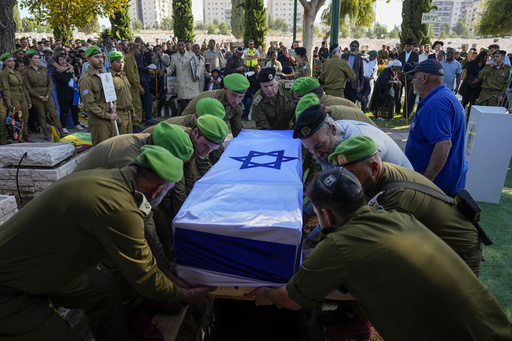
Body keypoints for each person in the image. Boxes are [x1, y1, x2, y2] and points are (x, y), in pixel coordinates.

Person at [248, 167, 512, 341]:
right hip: (494, 327)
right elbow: (356, 289)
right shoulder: (398, 219)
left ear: (326, 215)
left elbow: (291, 300)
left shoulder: (340, 245)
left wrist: (267, 294)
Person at [0, 145, 214, 341]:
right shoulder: (119, 208)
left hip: (37, 264)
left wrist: (167, 273)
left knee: (102, 290)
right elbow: (146, 279)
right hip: (10, 291)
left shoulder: (110, 178)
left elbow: (144, 230)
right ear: (158, 190)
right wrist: (186, 294)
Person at [405, 59, 468, 195]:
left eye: (415, 77)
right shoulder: (444, 97)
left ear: (425, 78)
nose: (412, 81)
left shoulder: (436, 104)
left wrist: (425, 184)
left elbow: (444, 145)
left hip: (438, 185)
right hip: (443, 181)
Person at [180, 73, 249, 138]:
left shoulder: (237, 107)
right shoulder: (212, 102)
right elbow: (210, 134)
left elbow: (238, 132)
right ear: (225, 89)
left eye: (241, 97)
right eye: (233, 95)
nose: (236, 100)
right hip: (186, 128)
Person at [78, 45, 118, 146]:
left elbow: (111, 95)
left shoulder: (104, 75)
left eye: (101, 57)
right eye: (96, 57)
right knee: (102, 152)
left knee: (113, 149)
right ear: (88, 59)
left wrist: (114, 107)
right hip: (99, 121)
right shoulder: (86, 80)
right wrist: (109, 116)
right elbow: (90, 105)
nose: (100, 60)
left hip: (110, 118)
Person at [23, 49, 67, 140]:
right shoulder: (26, 71)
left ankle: (61, 132)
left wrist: (47, 95)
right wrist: (38, 96)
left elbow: (50, 83)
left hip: (47, 93)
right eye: (35, 58)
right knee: (41, 115)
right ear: (30, 59)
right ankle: (46, 133)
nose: (37, 60)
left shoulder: (43, 69)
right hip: (36, 95)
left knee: (53, 113)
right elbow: (27, 86)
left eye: (38, 58)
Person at [0, 52, 32, 142]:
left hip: (22, 95)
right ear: (4, 62)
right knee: (18, 117)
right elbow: (6, 89)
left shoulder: (16, 72)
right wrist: (8, 102)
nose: (12, 63)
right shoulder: (4, 73)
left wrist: (28, 100)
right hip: (12, 95)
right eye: (9, 61)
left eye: (13, 61)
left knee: (25, 116)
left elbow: (23, 87)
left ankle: (25, 135)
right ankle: (18, 137)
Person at [168, 39, 201, 110]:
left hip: (192, 82)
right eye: (179, 45)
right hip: (182, 84)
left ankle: (195, 119)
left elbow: (198, 66)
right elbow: (171, 68)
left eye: (182, 45)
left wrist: (197, 75)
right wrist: (165, 70)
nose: (180, 47)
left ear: (185, 46)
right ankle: (185, 119)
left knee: (194, 104)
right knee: (184, 106)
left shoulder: (191, 54)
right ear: (176, 46)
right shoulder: (174, 57)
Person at [108, 51, 135, 135]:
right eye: (117, 62)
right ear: (111, 62)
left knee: (129, 138)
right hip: (119, 113)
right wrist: (117, 117)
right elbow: (110, 100)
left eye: (122, 62)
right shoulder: (109, 78)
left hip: (128, 113)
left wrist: (133, 111)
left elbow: (128, 95)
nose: (121, 64)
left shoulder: (124, 75)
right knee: (121, 141)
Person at [54, 54, 82, 132]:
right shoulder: (57, 71)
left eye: (64, 59)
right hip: (63, 93)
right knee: (64, 110)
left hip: (72, 92)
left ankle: (77, 124)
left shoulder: (70, 69)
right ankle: (63, 126)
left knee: (74, 109)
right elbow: (64, 79)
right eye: (61, 60)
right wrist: (69, 73)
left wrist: (75, 78)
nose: (63, 61)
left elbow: (75, 77)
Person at [124, 42, 145, 133]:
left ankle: (136, 124)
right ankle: (134, 125)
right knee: (135, 105)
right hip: (132, 87)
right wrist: (139, 86)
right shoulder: (128, 59)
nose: (139, 51)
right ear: (134, 49)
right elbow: (131, 75)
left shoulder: (132, 59)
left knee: (137, 105)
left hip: (134, 86)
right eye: (138, 49)